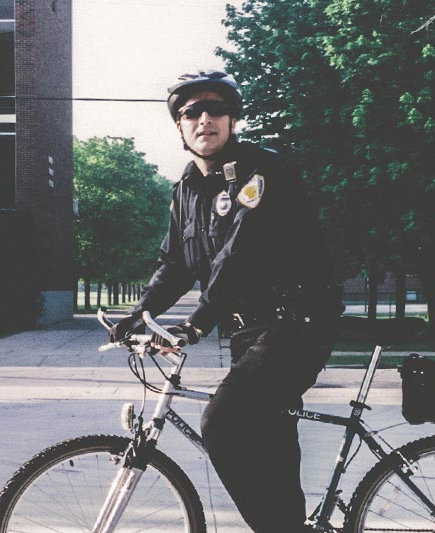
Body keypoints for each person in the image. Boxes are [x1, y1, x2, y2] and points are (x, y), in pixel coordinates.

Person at [110, 70, 343, 533]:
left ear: (232, 119)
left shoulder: (261, 170)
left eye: (216, 109)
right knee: (270, 446)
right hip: (250, 332)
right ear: (179, 126)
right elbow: (174, 262)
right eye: (191, 112)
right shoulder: (186, 190)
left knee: (221, 423)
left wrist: (195, 324)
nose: (204, 119)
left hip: (295, 322)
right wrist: (139, 313)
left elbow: (241, 253)